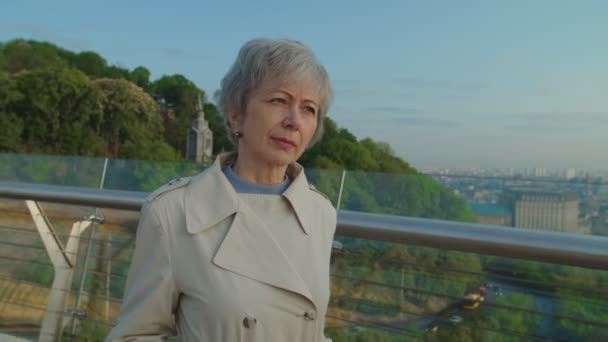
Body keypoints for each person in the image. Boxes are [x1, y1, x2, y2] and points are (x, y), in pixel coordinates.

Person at [106, 38, 336, 341]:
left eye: (309, 109)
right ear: (235, 113)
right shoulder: (172, 212)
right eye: (279, 100)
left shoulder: (321, 213)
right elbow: (135, 335)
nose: (294, 121)